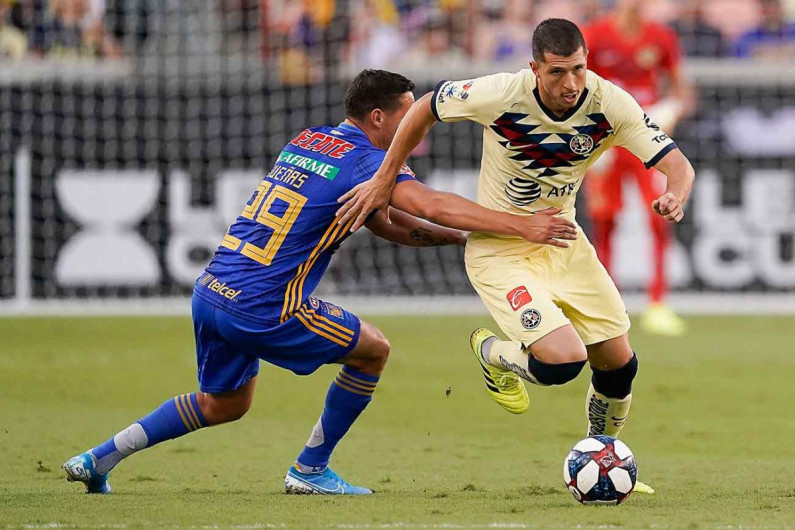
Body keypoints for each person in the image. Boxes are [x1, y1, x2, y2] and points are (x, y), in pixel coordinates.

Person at [62, 69, 577, 496]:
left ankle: (98, 458)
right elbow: (432, 205)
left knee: (225, 403)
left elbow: (385, 222)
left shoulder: (308, 140)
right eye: (408, 116)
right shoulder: (368, 160)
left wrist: (460, 240)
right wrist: (520, 226)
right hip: (266, 305)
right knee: (373, 350)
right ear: (379, 118)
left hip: (212, 291)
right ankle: (310, 469)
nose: (418, 129)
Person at [337, 19, 695, 494]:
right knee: (563, 362)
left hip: (563, 243)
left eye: (578, 69)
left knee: (619, 365)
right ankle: (492, 353)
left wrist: (676, 193)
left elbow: (677, 164)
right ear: (535, 68)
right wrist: (385, 177)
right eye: (557, 72)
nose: (571, 83)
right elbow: (427, 106)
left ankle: (603, 455)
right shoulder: (501, 93)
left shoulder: (610, 103)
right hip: (500, 251)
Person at [582, 0, 694, 336]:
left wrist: (671, 111)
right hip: (606, 137)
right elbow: (576, 87)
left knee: (660, 214)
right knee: (604, 219)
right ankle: (607, 303)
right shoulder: (594, 35)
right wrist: (589, 131)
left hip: (646, 136)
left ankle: (658, 302)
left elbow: (682, 90)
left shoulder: (661, 37)